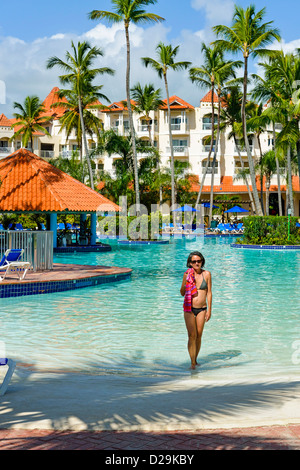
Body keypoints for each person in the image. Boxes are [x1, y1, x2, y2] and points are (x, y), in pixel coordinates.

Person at [180, 251, 212, 370]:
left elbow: (209, 292)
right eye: (194, 261)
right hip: (189, 309)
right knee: (191, 336)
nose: (197, 263)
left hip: (202, 309)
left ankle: (195, 359)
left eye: (199, 261)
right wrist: (185, 283)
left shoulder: (207, 274)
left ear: (202, 261)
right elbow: (182, 292)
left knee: (199, 335)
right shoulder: (187, 275)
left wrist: (209, 310)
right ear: (190, 263)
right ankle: (192, 362)